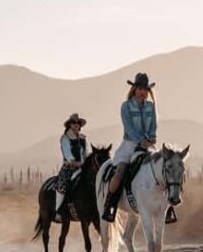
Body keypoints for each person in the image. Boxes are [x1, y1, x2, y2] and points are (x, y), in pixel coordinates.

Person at [102, 72, 160, 222]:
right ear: (134, 89)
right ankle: (110, 204)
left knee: (163, 167)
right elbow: (129, 128)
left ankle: (168, 205)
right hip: (130, 145)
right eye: (140, 88)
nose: (142, 92)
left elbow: (154, 125)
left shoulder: (151, 107)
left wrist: (152, 138)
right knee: (120, 171)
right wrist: (141, 141)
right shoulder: (126, 106)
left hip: (148, 145)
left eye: (145, 89)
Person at [54, 113, 91, 223]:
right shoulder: (65, 138)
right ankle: (58, 212)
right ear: (70, 125)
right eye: (73, 122)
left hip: (83, 167)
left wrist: (87, 162)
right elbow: (67, 153)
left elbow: (88, 152)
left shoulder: (84, 139)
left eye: (78, 123)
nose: (76, 124)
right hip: (69, 167)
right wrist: (74, 162)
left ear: (80, 125)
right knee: (62, 185)